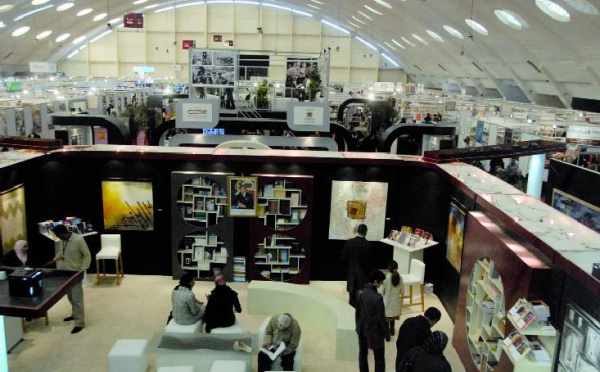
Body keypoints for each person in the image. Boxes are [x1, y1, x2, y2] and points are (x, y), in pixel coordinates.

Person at [52, 224, 91, 334]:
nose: (57, 237)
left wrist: (82, 270)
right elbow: (63, 251)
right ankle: (74, 314)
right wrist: (57, 258)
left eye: (57, 235)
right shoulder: (63, 240)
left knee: (77, 298)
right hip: (65, 273)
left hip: (75, 274)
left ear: (63, 233)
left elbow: (87, 255)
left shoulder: (78, 240)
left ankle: (79, 323)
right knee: (69, 295)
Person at [356, 269, 389, 372]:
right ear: (375, 281)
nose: (382, 283)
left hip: (361, 328)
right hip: (374, 331)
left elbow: (357, 312)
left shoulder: (360, 292)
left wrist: (357, 326)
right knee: (379, 358)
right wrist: (386, 333)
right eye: (381, 281)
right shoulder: (378, 298)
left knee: (362, 355)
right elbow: (381, 319)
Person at [342, 223, 371, 308]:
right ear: (366, 232)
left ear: (357, 231)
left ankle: (350, 312)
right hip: (363, 275)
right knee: (361, 297)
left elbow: (344, 257)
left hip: (351, 273)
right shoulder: (368, 245)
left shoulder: (349, 242)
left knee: (352, 296)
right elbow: (370, 263)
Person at [379, 260, 403, 337]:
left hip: (387, 303)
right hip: (396, 303)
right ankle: (392, 330)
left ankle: (387, 335)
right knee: (393, 319)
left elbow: (381, 292)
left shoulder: (385, 278)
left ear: (388, 268)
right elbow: (402, 291)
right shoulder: (400, 277)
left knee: (386, 319)